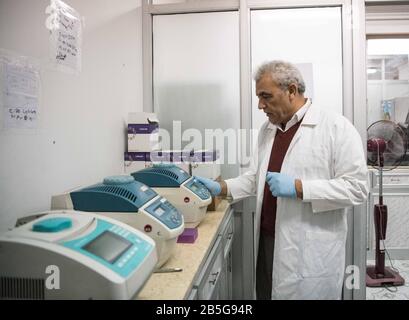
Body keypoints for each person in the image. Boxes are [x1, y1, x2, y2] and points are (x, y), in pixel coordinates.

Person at [195, 60, 369, 300]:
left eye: (266, 96)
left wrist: (299, 188)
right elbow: (258, 179)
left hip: (311, 249)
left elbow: (357, 188)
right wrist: (221, 187)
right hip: (268, 240)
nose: (260, 105)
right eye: (259, 97)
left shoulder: (336, 127)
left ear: (292, 91)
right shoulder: (269, 129)